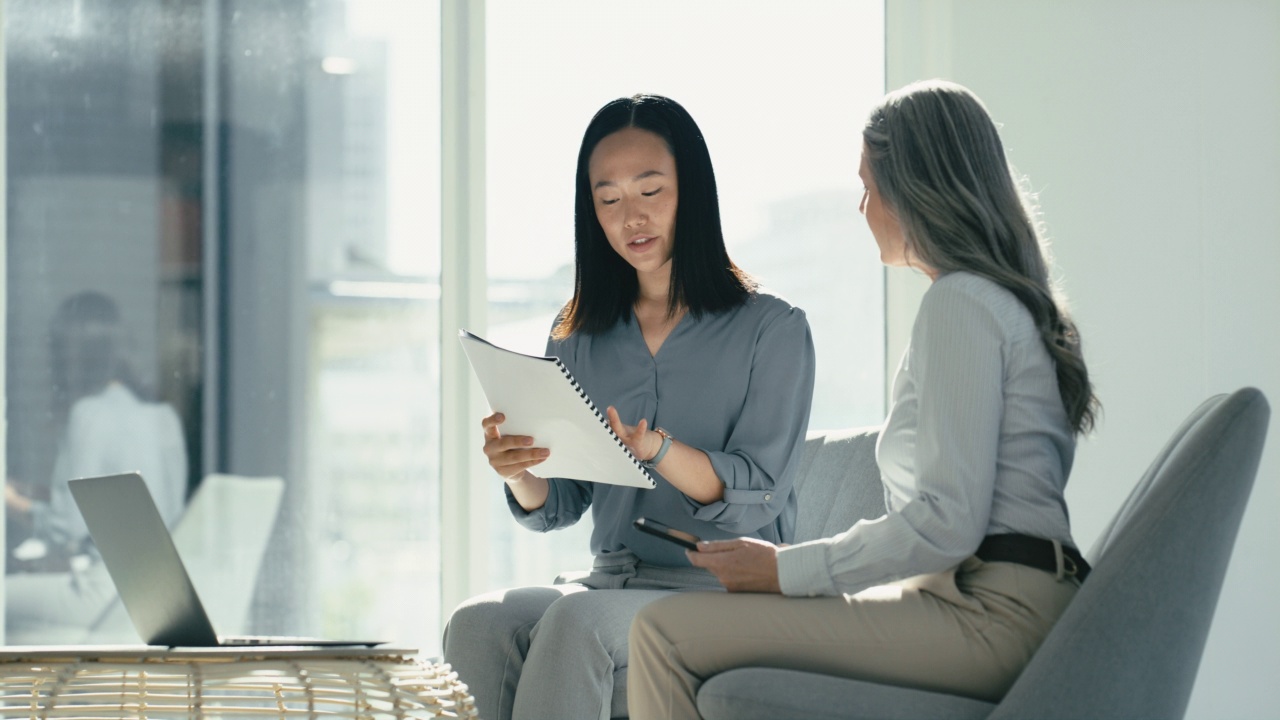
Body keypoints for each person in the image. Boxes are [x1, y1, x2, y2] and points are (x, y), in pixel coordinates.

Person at [627, 79, 1102, 718]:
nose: (861, 208)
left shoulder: (961, 303)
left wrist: (784, 573)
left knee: (662, 633)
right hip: (1000, 601)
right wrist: (789, 568)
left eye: (869, 187)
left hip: (991, 614)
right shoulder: (1002, 303)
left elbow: (945, 522)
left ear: (916, 191)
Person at [442, 94, 816, 720]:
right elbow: (562, 502)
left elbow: (759, 491)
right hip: (613, 580)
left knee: (577, 624)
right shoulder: (577, 336)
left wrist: (659, 451)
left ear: (691, 191)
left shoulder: (772, 328)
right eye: (608, 199)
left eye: (651, 191)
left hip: (727, 594)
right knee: (478, 621)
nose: (630, 218)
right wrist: (521, 471)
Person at [5, 290, 188, 643]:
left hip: (106, 595)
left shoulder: (88, 414)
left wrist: (8, 499)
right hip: (163, 599)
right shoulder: (163, 418)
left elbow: (64, 529)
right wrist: (31, 493)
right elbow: (129, 506)